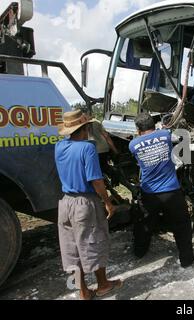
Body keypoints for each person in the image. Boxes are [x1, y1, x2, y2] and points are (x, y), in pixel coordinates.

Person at [55, 110, 122, 300]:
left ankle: (84, 292)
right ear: (85, 127)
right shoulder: (88, 148)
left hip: (65, 203)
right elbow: (96, 180)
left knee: (71, 249)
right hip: (85, 203)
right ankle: (103, 285)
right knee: (95, 241)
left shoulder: (59, 146)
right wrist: (108, 202)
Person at [129, 113, 194, 268]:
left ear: (138, 129)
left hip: (149, 193)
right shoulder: (165, 135)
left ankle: (139, 252)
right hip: (172, 191)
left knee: (144, 224)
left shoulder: (133, 144)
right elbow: (181, 138)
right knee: (182, 225)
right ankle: (187, 260)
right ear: (154, 124)